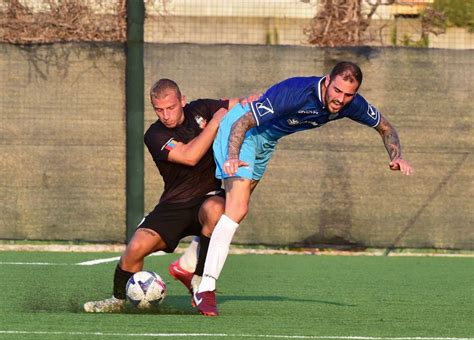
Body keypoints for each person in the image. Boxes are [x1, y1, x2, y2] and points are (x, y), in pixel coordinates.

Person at [193, 61, 413, 316]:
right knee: (237, 208)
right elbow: (243, 122)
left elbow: (385, 127)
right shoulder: (295, 93)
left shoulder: (353, 105)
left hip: (267, 141)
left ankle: (189, 266)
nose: (341, 99)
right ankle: (205, 289)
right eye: (337, 91)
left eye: (348, 95)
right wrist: (232, 156)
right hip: (242, 133)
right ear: (328, 81)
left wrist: (396, 155)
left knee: (228, 210)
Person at [84, 78, 248, 313]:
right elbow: (190, 156)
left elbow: (238, 104)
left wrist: (253, 98)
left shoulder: (200, 109)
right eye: (159, 110)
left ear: (182, 101)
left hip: (207, 197)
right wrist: (215, 124)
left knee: (216, 209)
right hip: (173, 205)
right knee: (135, 248)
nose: (166, 115)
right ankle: (117, 299)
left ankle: (199, 279)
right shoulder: (154, 135)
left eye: (171, 107)